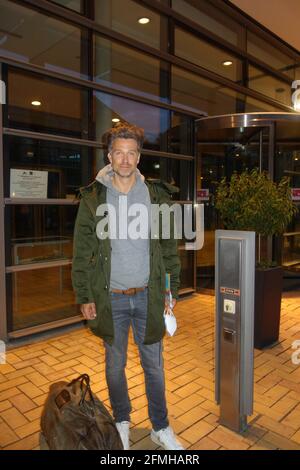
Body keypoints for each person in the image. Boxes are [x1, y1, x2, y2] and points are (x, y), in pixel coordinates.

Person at [72, 123, 184, 451]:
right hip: (111, 300)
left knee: (155, 367)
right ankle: (122, 419)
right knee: (114, 366)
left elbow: (168, 248)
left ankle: (160, 426)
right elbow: (82, 251)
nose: (124, 159)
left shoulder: (155, 195)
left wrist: (169, 291)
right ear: (109, 155)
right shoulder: (93, 197)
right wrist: (84, 295)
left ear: (138, 156)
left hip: (149, 297)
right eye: (118, 153)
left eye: (131, 153)